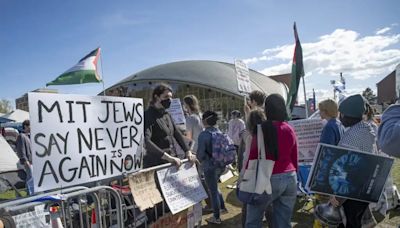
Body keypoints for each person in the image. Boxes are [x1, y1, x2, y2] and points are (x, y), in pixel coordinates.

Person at [245, 94, 298, 228]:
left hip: (267, 177)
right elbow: (294, 156)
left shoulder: (262, 129)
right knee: (283, 222)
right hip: (290, 176)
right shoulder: (289, 128)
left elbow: (252, 157)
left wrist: (246, 178)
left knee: (253, 219)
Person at [329, 94, 376, 228]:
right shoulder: (366, 129)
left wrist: (338, 197)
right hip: (363, 189)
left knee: (349, 223)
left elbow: (348, 170)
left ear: (347, 115)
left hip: (351, 192)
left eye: (341, 114)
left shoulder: (352, 136)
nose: (339, 117)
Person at [143, 83, 196, 168]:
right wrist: (168, 157)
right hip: (155, 162)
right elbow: (147, 141)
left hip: (171, 159)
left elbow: (176, 132)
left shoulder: (167, 114)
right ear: (156, 97)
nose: (170, 100)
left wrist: (188, 151)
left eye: (171, 97)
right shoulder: (148, 115)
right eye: (166, 97)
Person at [314, 99, 344, 228]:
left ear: (325, 111)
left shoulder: (329, 126)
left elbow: (327, 153)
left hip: (329, 174)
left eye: (320, 110)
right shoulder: (339, 124)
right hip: (338, 171)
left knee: (324, 208)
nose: (319, 112)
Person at [197, 111, 228, 225]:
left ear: (205, 121)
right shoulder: (219, 132)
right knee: (215, 187)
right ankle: (223, 208)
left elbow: (200, 155)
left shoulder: (203, 135)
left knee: (212, 191)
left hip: (209, 166)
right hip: (221, 164)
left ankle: (216, 217)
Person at [238, 108, 266, 228]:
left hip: (252, 179)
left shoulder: (249, 137)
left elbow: (247, 161)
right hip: (268, 177)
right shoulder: (269, 134)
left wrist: (241, 179)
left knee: (251, 215)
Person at [16, 119, 33, 195]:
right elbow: (21, 149)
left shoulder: (28, 136)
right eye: (30, 125)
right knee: (30, 178)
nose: (31, 127)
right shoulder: (21, 136)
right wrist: (25, 161)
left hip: (31, 162)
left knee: (30, 179)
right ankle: (30, 195)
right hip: (27, 162)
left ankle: (29, 194)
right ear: (25, 126)